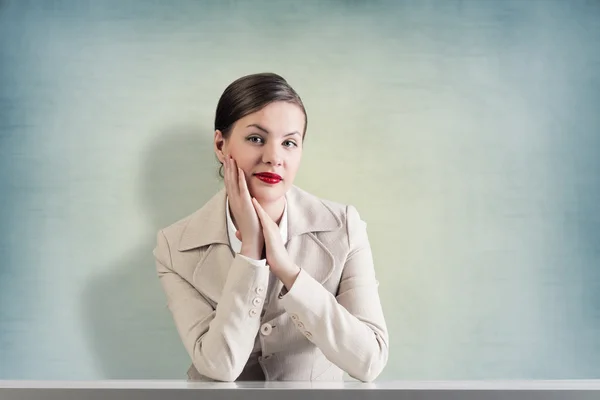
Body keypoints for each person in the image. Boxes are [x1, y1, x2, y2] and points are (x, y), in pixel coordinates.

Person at [153, 72, 389, 382]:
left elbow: (369, 361)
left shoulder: (343, 227)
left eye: (289, 142)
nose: (274, 157)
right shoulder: (175, 247)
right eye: (256, 139)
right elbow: (220, 367)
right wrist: (250, 253)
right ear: (221, 144)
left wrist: (290, 273)